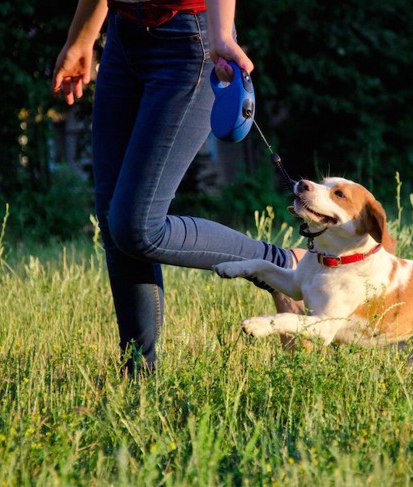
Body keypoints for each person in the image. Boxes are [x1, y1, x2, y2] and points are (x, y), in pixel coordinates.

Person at [52, 0, 303, 374]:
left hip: (189, 40)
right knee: (113, 222)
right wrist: (83, 36)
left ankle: (280, 264)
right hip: (123, 39)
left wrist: (220, 33)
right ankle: (138, 375)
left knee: (137, 227)